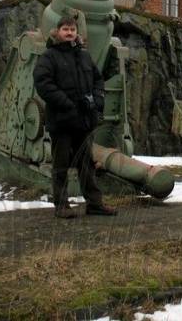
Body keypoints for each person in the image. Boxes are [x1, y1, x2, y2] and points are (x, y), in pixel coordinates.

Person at [33, 16, 117, 218]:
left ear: (76, 32)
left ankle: (94, 203)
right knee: (61, 165)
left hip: (84, 119)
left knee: (86, 163)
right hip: (62, 119)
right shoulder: (49, 56)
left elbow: (97, 79)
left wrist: (97, 100)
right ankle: (62, 206)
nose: (69, 33)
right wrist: (66, 103)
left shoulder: (84, 56)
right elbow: (43, 83)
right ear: (58, 32)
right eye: (65, 29)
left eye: (72, 29)